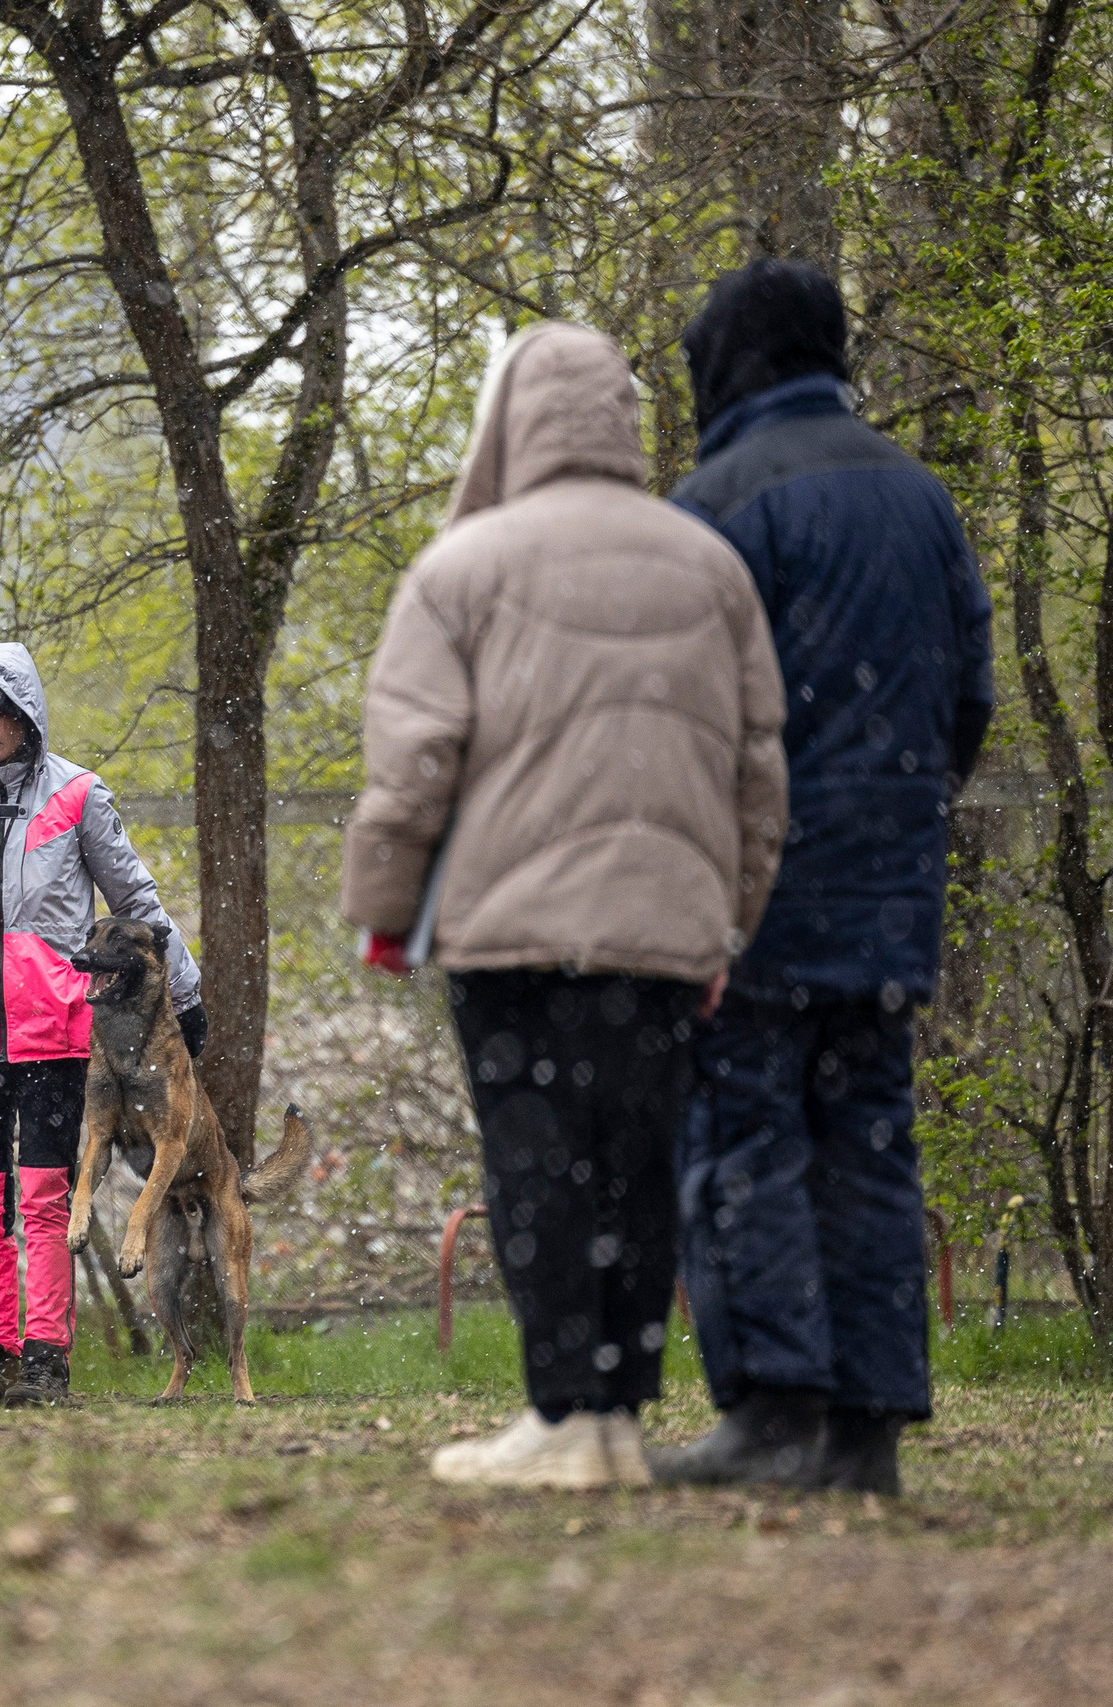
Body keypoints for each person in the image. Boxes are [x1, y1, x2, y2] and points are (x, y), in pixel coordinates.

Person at [341, 320, 788, 1489]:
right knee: (638, 1164)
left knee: (535, 1159)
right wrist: (730, 917)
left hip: (512, 928)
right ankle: (620, 1420)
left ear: (509, 419)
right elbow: (756, 771)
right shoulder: (710, 564)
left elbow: (415, 761)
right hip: (663, 931)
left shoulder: (462, 566)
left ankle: (558, 1417)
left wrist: (385, 910)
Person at [656, 259, 997, 1496]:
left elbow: (682, 718)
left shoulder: (717, 503)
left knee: (742, 1132)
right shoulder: (920, 495)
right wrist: (892, 814)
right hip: (891, 881)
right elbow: (969, 703)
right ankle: (869, 1427)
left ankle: (772, 1407)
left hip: (753, 886)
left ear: (726, 363)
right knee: (869, 1138)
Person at [0, 642, 206, 1407]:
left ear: (25, 715)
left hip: (58, 1029)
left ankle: (47, 1359)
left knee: (43, 1195)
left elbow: (135, 900)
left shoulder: (79, 794)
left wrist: (185, 994)